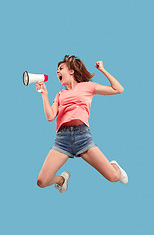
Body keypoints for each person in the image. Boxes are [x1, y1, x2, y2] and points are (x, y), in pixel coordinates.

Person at [36, 55, 128, 194]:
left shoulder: (87, 86)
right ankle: (62, 180)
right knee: (42, 182)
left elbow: (118, 89)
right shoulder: (60, 94)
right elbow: (50, 117)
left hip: (82, 136)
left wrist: (103, 70)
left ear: (71, 71)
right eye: (57, 70)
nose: (57, 72)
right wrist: (44, 94)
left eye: (61, 68)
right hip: (62, 139)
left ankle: (113, 165)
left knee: (114, 177)